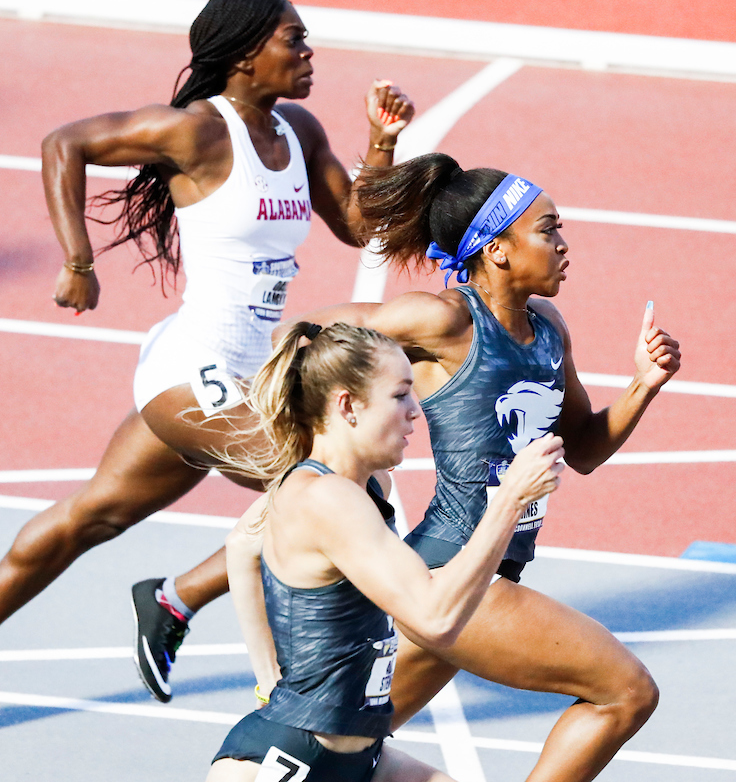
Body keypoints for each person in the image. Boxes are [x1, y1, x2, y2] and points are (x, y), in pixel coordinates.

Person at [0, 0, 415, 745]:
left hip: (250, 375)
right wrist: (78, 261)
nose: (309, 53)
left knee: (96, 515)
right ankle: (183, 604)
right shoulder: (195, 132)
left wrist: (380, 145)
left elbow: (355, 224)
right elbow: (64, 143)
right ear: (245, 55)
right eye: (294, 40)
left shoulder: (300, 132)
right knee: (328, 491)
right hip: (191, 366)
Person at [269, 152, 683, 782]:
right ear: (497, 250)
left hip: (479, 570)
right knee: (625, 693)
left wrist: (642, 385)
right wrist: (330, 445)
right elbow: (303, 335)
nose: (563, 244)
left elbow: (584, 450)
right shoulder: (443, 320)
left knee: (341, 747)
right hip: (456, 567)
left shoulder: (548, 328)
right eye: (548, 229)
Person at [207, 320, 565, 782]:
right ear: (347, 406)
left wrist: (268, 681)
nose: (416, 411)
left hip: (362, 758)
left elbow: (242, 546)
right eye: (399, 395)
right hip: (292, 759)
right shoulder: (325, 497)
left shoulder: (368, 485)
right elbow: (435, 619)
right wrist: (510, 499)